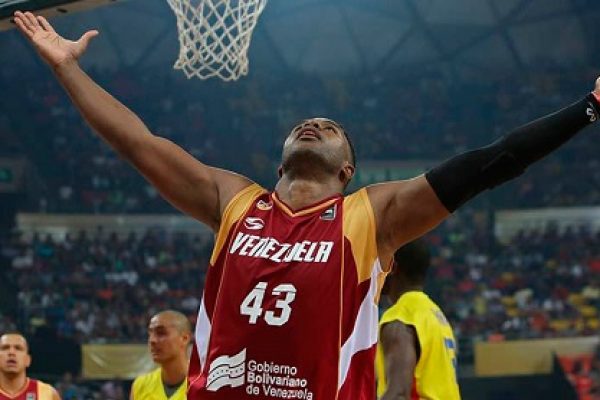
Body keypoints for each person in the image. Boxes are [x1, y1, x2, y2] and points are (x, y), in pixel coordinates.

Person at [12, 10, 600, 399]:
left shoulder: (371, 217)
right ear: (280, 162)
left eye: (331, 127)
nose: (314, 124)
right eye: (305, 123)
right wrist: (68, 70)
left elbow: (490, 163)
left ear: (347, 170)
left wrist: (589, 108)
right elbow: (138, 143)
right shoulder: (234, 200)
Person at [375, 240, 460, 400]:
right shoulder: (435, 314)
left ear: (392, 267)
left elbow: (399, 394)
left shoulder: (401, 317)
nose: (375, 270)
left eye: (378, 262)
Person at [130, 310, 191, 400]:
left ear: (184, 339)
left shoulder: (204, 385)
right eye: (150, 334)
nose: (152, 340)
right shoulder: (140, 385)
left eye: (161, 333)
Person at [0, 332, 61, 400]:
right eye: (5, 348)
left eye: (18, 348)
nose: (11, 352)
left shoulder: (48, 394)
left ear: (27, 360)